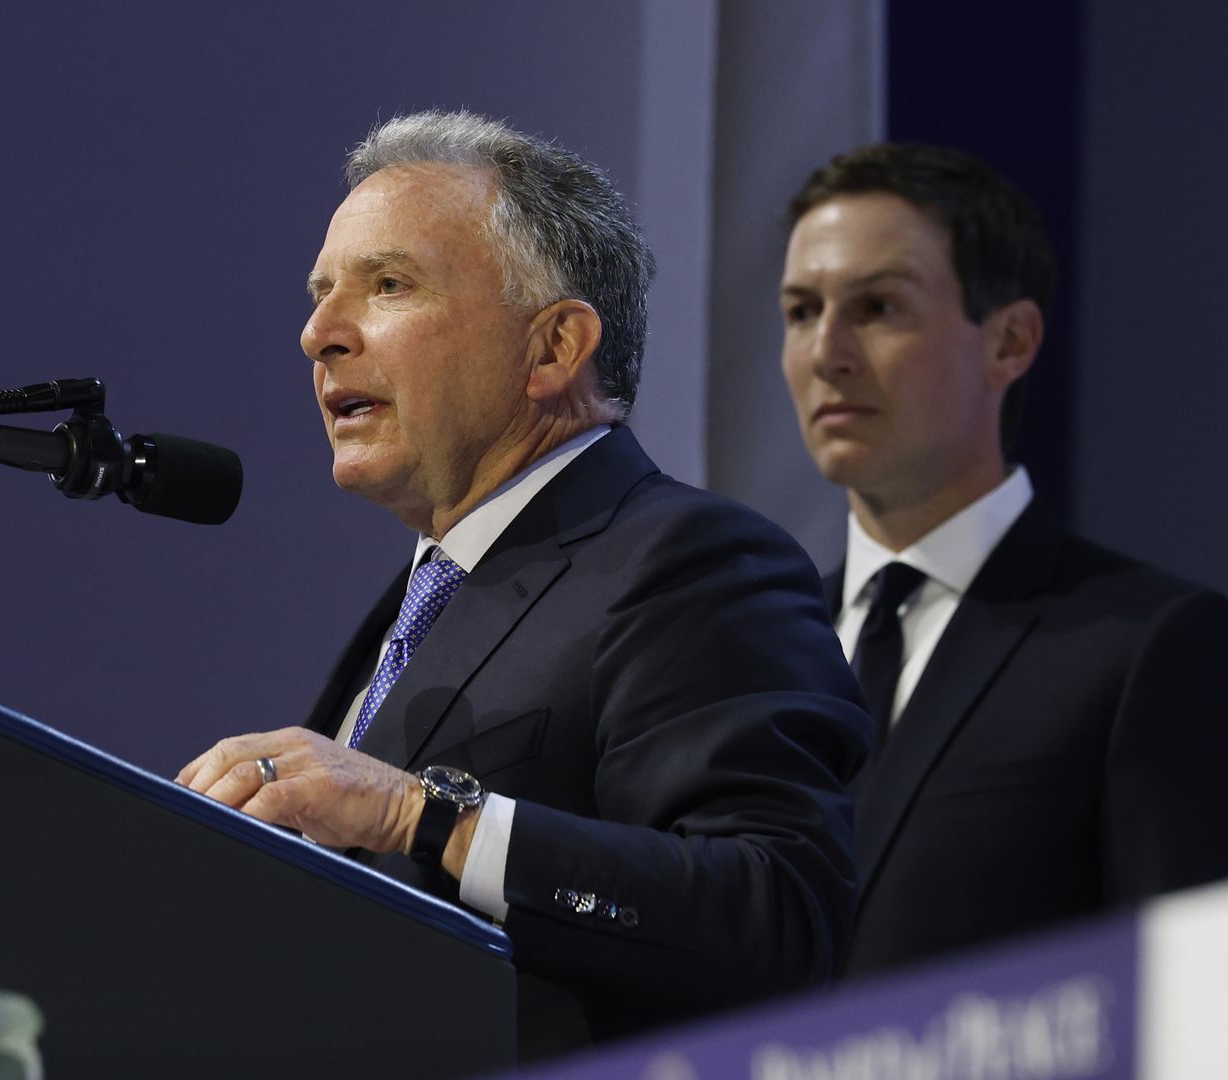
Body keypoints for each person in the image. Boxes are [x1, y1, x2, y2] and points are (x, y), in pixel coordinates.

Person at [178, 110, 871, 1057]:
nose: (319, 334)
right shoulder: (433, 593)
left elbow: (778, 916)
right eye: (319, 294)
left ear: (553, 349)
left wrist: (424, 816)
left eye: (387, 284)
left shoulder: (688, 559)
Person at [778, 142, 1228, 978]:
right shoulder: (753, 651)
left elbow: (1187, 1002)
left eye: (877, 307)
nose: (826, 353)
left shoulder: (1150, 645)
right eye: (802, 311)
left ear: (1010, 343)